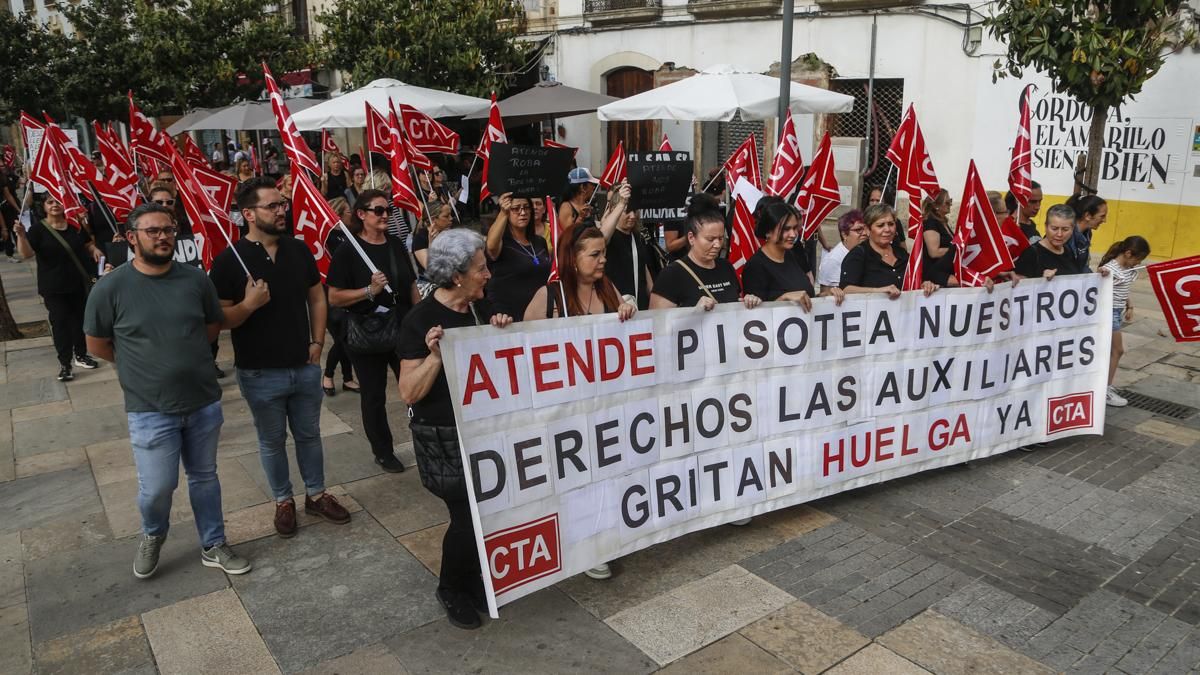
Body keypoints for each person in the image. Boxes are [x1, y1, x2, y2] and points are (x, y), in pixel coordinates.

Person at [83, 203, 251, 578]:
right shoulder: (110, 288)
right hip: (149, 407)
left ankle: (213, 542)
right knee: (157, 487)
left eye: (169, 230)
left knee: (204, 476)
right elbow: (96, 344)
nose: (163, 237)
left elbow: (210, 327)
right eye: (153, 231)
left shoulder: (195, 279)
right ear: (131, 238)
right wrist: (142, 368)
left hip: (203, 401)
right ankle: (153, 533)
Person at [210, 177, 349, 537]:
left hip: (303, 366)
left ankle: (316, 494)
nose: (281, 210)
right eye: (272, 206)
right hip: (259, 371)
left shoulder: (298, 249)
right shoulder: (228, 261)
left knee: (309, 434)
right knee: (271, 441)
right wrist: (248, 305)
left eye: (282, 204)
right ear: (248, 214)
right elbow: (220, 321)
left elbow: (317, 297)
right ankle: (283, 500)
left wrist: (318, 343)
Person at [398, 229, 513, 629]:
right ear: (457, 275)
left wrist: (503, 328)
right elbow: (409, 392)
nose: (487, 275)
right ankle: (451, 588)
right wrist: (435, 357)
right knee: (467, 518)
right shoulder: (421, 320)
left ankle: (473, 578)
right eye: (481, 268)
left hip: (485, 431)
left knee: (486, 512)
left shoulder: (483, 308)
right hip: (444, 437)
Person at [326, 190, 420, 473]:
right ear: (361, 214)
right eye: (377, 210)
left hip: (401, 327)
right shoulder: (348, 250)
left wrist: (420, 319)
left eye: (387, 210)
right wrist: (369, 291)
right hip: (366, 333)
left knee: (415, 389)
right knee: (373, 394)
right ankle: (383, 451)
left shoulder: (395, 244)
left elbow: (411, 285)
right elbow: (334, 297)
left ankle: (425, 437)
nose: (384, 216)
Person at [14, 196, 104, 381]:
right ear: (44, 207)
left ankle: (81, 354)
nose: (55, 205)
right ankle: (65, 363)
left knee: (80, 321)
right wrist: (22, 236)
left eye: (58, 201)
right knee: (61, 324)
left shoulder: (74, 224)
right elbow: (26, 254)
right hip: (53, 287)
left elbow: (87, 244)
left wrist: (94, 250)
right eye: (50, 202)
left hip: (78, 283)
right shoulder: (38, 230)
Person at [650, 194, 763, 311]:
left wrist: (748, 302)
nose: (717, 245)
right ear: (691, 238)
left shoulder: (726, 267)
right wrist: (693, 312)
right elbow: (658, 323)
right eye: (710, 239)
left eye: (720, 238)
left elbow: (736, 304)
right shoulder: (671, 274)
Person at [742, 196, 843, 306]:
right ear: (768, 232)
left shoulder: (792, 255)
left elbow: (806, 297)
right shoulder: (755, 267)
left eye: (795, 228)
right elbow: (755, 315)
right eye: (786, 229)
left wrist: (825, 296)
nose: (793, 234)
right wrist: (784, 298)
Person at [840, 204, 938, 298]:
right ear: (867, 229)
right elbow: (846, 289)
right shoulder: (858, 254)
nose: (887, 229)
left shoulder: (901, 253)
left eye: (891, 224)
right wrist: (879, 291)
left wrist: (925, 284)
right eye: (880, 225)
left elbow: (914, 281)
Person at [1101, 235, 1150, 407]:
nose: (1138, 264)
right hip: (1108, 313)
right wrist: (1102, 275)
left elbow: (1123, 289)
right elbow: (1099, 285)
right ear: (1128, 253)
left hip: (1117, 312)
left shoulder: (1126, 270)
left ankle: (1105, 385)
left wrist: (1129, 305)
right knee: (1117, 350)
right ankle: (1104, 390)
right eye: (1138, 259)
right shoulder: (1111, 269)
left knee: (1111, 351)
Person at [486, 193, 550, 319]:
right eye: (515, 209)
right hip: (507, 317)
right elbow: (491, 246)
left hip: (537, 314)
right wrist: (503, 213)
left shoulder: (540, 242)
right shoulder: (502, 243)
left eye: (526, 207)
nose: (522, 212)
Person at [322, 198, 359, 396]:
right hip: (332, 294)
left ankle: (347, 378)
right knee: (342, 337)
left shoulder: (349, 234)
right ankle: (328, 375)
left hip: (349, 291)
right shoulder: (329, 237)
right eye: (347, 212)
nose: (351, 214)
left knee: (344, 336)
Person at [1013, 204, 1106, 281]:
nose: (1059, 234)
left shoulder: (1069, 251)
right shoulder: (1031, 253)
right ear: (1046, 227)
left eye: (1065, 229)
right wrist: (1041, 280)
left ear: (1072, 229)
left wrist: (1098, 276)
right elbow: (1019, 290)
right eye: (1054, 228)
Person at [818, 210, 867, 292]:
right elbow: (825, 295)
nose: (865, 233)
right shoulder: (833, 260)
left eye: (866, 229)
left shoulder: (865, 251)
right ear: (844, 234)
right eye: (859, 230)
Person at [921, 189, 957, 286]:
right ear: (936, 205)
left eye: (951, 201)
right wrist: (957, 250)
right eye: (947, 202)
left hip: (945, 269)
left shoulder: (942, 222)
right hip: (934, 273)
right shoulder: (930, 222)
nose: (950, 204)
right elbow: (934, 252)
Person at [1067, 194, 1107, 272]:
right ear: (1088, 216)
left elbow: (1082, 266)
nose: (1105, 220)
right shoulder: (1066, 235)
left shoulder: (1087, 233)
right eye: (1102, 216)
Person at [414, 203, 455, 272]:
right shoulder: (420, 238)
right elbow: (429, 267)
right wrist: (431, 244)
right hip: (431, 281)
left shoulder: (447, 233)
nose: (451, 218)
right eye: (446, 216)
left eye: (450, 215)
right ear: (433, 219)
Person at [1005, 180, 1043, 245]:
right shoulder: (1008, 225)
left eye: (1040, 201)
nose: (1037, 207)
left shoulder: (1031, 225)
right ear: (1018, 200)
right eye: (1032, 202)